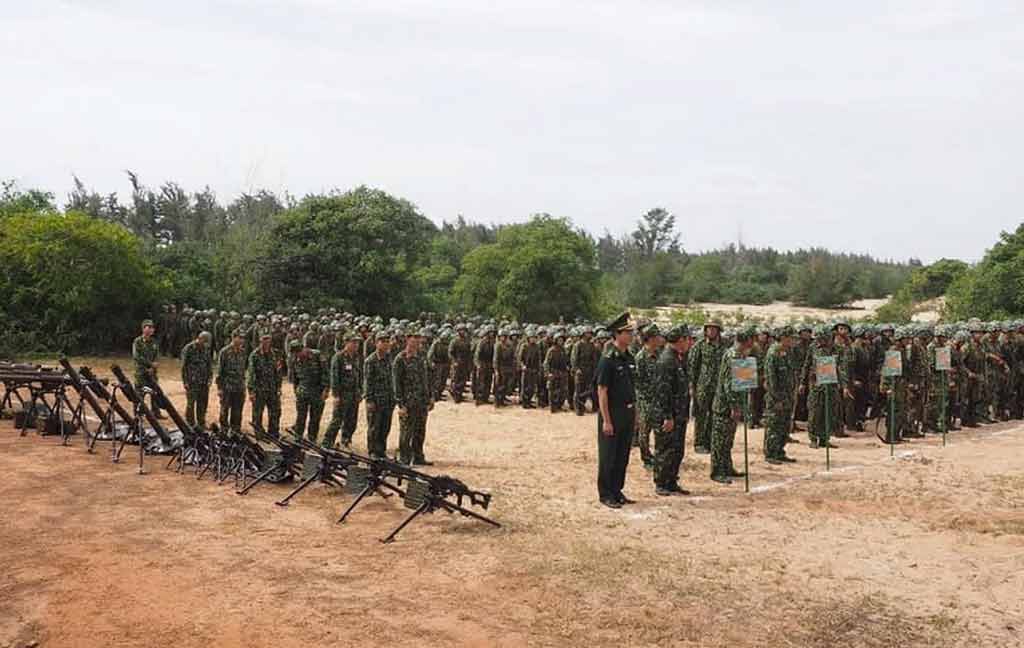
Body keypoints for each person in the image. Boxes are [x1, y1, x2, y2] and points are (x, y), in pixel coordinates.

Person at [596, 312, 637, 509]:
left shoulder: (629, 357)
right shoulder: (608, 359)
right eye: (627, 332)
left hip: (627, 413)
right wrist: (606, 420)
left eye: (631, 332)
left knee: (622, 455)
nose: (631, 336)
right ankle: (606, 494)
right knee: (608, 456)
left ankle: (617, 490)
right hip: (612, 413)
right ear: (617, 334)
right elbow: (602, 391)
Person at [709, 325, 755, 484]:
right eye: (751, 339)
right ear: (746, 340)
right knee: (720, 440)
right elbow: (729, 385)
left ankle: (727, 467)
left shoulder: (741, 355)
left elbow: (742, 382)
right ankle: (717, 471)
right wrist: (734, 406)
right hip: (725, 406)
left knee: (728, 440)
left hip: (732, 404)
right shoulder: (733, 356)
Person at [650, 324, 692, 495]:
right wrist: (667, 416)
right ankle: (661, 482)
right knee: (665, 449)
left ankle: (671, 481)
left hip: (679, 414)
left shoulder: (676, 358)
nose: (689, 343)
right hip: (668, 415)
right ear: (680, 340)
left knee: (677, 450)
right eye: (686, 339)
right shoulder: (666, 361)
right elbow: (662, 392)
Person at [393, 329, 434, 465]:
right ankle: (404, 459)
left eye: (418, 337)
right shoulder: (400, 359)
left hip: (421, 401)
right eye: (413, 337)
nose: (416, 340)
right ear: (407, 339)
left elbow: (427, 378)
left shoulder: (422, 356)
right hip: (408, 402)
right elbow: (396, 384)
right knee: (406, 432)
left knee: (420, 430)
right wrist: (401, 404)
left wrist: (431, 397)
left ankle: (418, 457)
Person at [688, 320, 726, 454]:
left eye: (713, 329)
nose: (711, 331)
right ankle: (699, 443)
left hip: (718, 387)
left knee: (714, 415)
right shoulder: (699, 346)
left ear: (718, 331)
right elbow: (692, 367)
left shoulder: (724, 346)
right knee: (701, 416)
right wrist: (691, 386)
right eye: (708, 329)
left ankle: (709, 441)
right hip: (702, 387)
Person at [763, 326, 797, 464]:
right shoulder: (773, 353)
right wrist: (776, 398)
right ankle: (770, 453)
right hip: (776, 397)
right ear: (783, 338)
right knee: (774, 425)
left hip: (787, 396)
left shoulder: (786, 352)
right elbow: (771, 379)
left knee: (784, 425)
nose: (793, 341)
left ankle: (779, 451)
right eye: (791, 338)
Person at [322, 333, 362, 449]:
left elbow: (359, 375)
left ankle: (346, 440)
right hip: (343, 394)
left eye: (357, 343)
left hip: (354, 394)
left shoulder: (356, 357)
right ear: (346, 342)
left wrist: (360, 391)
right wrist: (336, 395)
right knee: (337, 420)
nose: (356, 345)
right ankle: (327, 442)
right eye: (353, 342)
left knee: (351, 420)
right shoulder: (338, 357)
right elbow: (334, 377)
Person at [289, 338, 328, 443]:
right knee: (301, 416)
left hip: (317, 391)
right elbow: (295, 377)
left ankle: (312, 438)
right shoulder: (294, 359)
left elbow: (325, 373)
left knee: (315, 417)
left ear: (304, 348)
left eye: (299, 352)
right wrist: (296, 390)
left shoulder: (317, 355)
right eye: (296, 354)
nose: (299, 356)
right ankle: (298, 437)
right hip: (302, 391)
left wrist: (325, 390)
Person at [363, 331, 395, 459]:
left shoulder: (389, 359)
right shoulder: (370, 361)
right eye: (383, 342)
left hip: (388, 400)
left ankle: (381, 451)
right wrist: (369, 400)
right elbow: (368, 382)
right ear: (376, 343)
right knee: (374, 427)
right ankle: (372, 452)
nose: (386, 344)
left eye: (387, 341)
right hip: (376, 400)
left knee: (385, 427)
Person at [247, 333, 285, 437]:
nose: (266, 342)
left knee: (275, 411)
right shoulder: (254, 355)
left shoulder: (275, 354)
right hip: (259, 389)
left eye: (268, 340)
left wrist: (279, 387)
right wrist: (251, 391)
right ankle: (258, 432)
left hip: (272, 388)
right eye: (264, 340)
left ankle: (273, 432)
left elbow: (278, 372)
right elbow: (251, 374)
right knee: (257, 412)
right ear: (260, 341)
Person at [132, 319, 165, 418]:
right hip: (141, 372)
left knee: (154, 392)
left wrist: (154, 366)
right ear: (143, 329)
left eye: (152, 328)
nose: (151, 329)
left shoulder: (154, 342)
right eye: (149, 327)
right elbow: (137, 357)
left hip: (152, 373)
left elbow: (156, 355)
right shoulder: (137, 342)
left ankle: (156, 413)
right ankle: (138, 414)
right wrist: (150, 364)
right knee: (139, 394)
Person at [216, 330, 248, 433]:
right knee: (225, 409)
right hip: (227, 386)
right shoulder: (224, 352)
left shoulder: (243, 352)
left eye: (243, 338)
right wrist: (220, 388)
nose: (242, 340)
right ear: (233, 338)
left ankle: (235, 429)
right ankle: (224, 429)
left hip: (239, 386)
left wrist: (243, 386)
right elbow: (220, 371)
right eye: (240, 338)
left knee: (237, 409)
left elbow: (243, 370)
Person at [180, 331, 213, 428]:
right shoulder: (189, 348)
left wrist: (209, 378)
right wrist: (185, 381)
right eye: (205, 341)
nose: (206, 344)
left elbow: (209, 365)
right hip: (192, 381)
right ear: (200, 338)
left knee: (202, 403)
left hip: (204, 381)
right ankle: (190, 424)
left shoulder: (206, 349)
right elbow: (184, 366)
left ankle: (201, 423)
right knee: (191, 403)